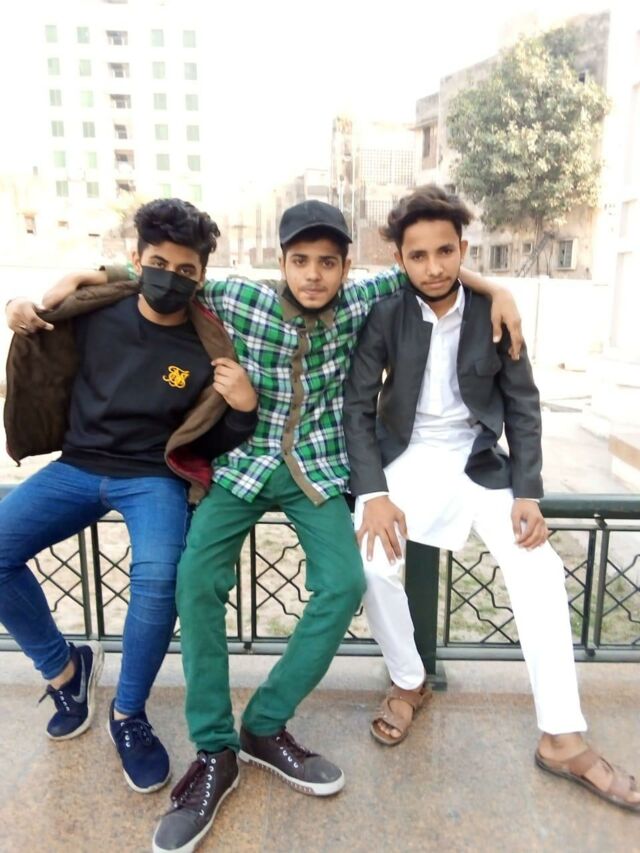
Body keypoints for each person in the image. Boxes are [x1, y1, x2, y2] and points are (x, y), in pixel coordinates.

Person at [44, 199, 523, 852]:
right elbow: (161, 273)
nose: (313, 275)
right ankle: (215, 747)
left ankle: (265, 724)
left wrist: (496, 289)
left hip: (316, 469)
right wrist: (84, 274)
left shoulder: (361, 300)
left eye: (327, 262)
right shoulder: (241, 297)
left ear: (346, 267)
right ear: (282, 262)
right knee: (195, 581)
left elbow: (428, 269)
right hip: (241, 466)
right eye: (300, 261)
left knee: (344, 583)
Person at [342, 184, 640, 810]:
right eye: (418, 255)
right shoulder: (385, 314)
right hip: (406, 459)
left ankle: (561, 736)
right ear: (400, 259)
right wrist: (372, 492)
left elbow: (524, 404)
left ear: (463, 249)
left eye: (445, 252)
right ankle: (409, 680)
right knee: (369, 561)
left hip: (478, 461)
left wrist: (528, 491)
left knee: (540, 568)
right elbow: (356, 407)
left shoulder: (494, 314)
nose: (433, 267)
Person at [1, 198, 257, 796]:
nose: (171, 278)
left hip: (153, 477)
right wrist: (18, 306)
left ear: (201, 275)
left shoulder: (207, 345)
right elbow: (38, 322)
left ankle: (129, 714)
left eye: (186, 270)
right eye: (159, 264)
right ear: (137, 260)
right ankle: (65, 669)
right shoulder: (97, 312)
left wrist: (243, 412)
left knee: (159, 578)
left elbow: (213, 436)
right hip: (77, 465)